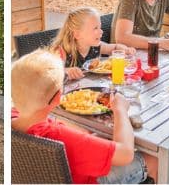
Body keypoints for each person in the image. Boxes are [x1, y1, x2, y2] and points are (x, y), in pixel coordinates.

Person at [11, 49, 157, 183]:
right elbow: (125, 154)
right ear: (58, 97)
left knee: (94, 135)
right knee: (154, 159)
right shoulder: (60, 137)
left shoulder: (11, 117)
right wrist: (120, 110)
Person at [49, 7, 135, 80]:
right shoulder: (62, 51)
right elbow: (48, 73)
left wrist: (126, 50)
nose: (101, 31)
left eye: (100, 27)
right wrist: (66, 71)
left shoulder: (95, 47)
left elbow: (115, 48)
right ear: (77, 34)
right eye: (95, 28)